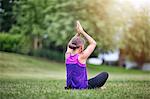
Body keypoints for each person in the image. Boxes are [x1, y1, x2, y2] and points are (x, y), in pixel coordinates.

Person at [65, 21, 109, 89]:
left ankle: (95, 87)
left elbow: (69, 45)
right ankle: (96, 87)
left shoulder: (67, 56)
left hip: (70, 87)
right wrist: (82, 32)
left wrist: (78, 34)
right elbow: (93, 43)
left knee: (87, 81)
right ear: (81, 47)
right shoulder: (81, 57)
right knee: (104, 74)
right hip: (82, 87)